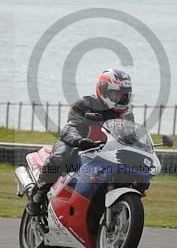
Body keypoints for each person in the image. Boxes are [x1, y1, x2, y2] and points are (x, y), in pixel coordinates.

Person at [27, 69, 134, 215]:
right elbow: (71, 127)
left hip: (105, 152)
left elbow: (130, 136)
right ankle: (38, 192)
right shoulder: (85, 104)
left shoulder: (126, 115)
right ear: (104, 90)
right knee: (62, 155)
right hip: (77, 144)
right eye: (118, 94)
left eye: (125, 95)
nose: (122, 99)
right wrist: (79, 140)